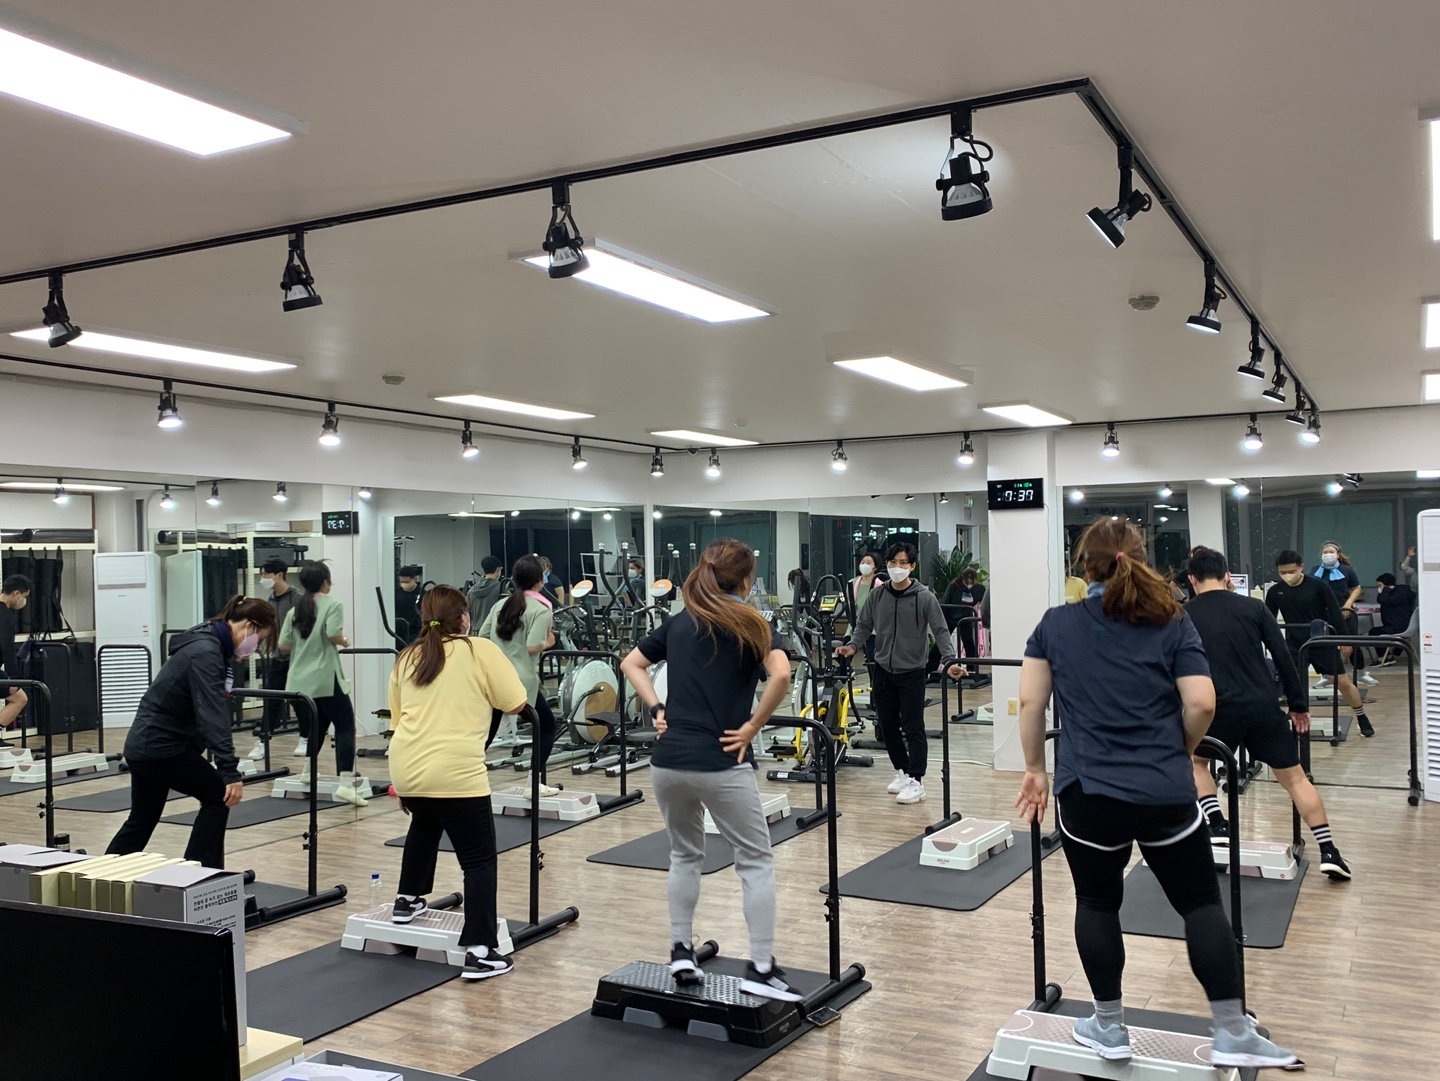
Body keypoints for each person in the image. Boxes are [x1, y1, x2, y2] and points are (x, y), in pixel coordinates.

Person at [1014, 519, 1298, 1069]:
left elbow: (1030, 705)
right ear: (1141, 560)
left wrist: (1034, 770)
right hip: (1164, 791)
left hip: (1089, 794)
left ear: (1085, 566)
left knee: (1097, 902)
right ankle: (1232, 1031)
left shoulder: (1055, 623)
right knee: (1200, 905)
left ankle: (1109, 1026)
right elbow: (1202, 703)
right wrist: (1177, 750)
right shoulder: (1173, 619)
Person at [619, 538, 801, 1002]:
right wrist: (753, 726)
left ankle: (681, 950)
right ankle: (760, 967)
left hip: (668, 762)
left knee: (685, 855)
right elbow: (782, 675)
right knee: (755, 861)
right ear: (746, 580)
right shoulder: (751, 621)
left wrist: (657, 707)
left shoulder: (681, 621)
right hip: (721, 761)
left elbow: (631, 664)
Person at [388, 585, 530, 980]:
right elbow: (515, 702)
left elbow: (397, 720)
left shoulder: (407, 656)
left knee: (426, 821)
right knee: (479, 860)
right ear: (464, 618)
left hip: (407, 767)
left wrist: (403, 784)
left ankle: (407, 899)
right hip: (456, 773)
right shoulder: (479, 649)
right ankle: (481, 951)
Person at [1183, 547, 1351, 879]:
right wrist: (1298, 705)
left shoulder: (1184, 615)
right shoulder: (1254, 607)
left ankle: (1217, 823)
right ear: (1227, 575)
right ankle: (1330, 850)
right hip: (1262, 705)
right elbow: (1283, 656)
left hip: (1216, 707)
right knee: (1296, 778)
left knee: (1196, 762)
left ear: (1191, 579)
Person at [108, 596, 277, 869]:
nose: (255, 647)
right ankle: (200, 875)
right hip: (161, 747)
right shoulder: (206, 652)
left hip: (146, 744)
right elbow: (212, 712)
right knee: (218, 795)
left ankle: (102, 877)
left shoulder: (207, 640)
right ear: (249, 626)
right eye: (259, 639)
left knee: (142, 819)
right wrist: (229, 770)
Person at [837, 541, 965, 805]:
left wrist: (949, 660)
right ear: (887, 564)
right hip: (883, 669)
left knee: (913, 726)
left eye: (903, 563)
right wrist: (852, 646)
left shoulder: (924, 597)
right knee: (887, 725)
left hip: (912, 672)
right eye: (893, 562)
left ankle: (916, 780)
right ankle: (903, 771)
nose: (897, 567)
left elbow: (940, 630)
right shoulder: (877, 595)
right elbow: (863, 625)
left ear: (912, 566)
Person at [279, 561, 367, 805]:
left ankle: (308, 770)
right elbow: (333, 634)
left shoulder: (295, 610)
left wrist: (305, 647)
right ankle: (346, 784)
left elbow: (283, 644)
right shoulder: (333, 604)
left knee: (318, 725)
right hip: (326, 677)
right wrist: (345, 641)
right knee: (345, 726)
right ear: (325, 582)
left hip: (299, 680)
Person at [477, 555, 561, 796]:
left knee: (485, 735)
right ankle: (533, 785)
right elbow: (534, 645)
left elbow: (482, 637)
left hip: (495, 679)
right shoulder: (541, 609)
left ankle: (463, 777)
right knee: (546, 728)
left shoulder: (499, 606)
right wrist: (550, 642)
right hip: (521, 683)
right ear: (539, 581)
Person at [1266, 550, 1374, 737]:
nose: (1287, 576)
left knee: (1341, 681)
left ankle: (1361, 716)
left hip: (1322, 642)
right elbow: (1268, 619)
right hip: (1294, 644)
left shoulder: (1318, 585)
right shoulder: (1276, 592)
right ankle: (1297, 721)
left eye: (1291, 571)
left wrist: (1343, 640)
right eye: (1282, 572)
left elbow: (1335, 613)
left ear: (1301, 567)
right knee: (1292, 684)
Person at [250, 559, 305, 758]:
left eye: (266, 574)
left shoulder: (298, 599)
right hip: (277, 658)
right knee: (271, 700)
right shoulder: (270, 601)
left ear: (279, 574)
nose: (263, 578)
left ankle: (305, 737)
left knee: (299, 700)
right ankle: (263, 740)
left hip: (297, 659)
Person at [1311, 541, 1372, 686]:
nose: (1328, 555)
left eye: (1331, 552)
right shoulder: (1315, 570)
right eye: (1325, 552)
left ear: (1337, 554)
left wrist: (1348, 605)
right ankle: (1326, 676)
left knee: (1352, 643)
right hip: (1323, 613)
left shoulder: (1347, 570)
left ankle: (1361, 673)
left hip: (1344, 611)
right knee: (1325, 645)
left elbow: (1356, 588)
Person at [0, 575, 31, 730]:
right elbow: (6, 646)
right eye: (24, 597)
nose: (23, 602)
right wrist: (14, 678)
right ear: (16, 593)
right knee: (20, 698)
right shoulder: (4, 615)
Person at [942, 567, 987, 658]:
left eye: (971, 582)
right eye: (967, 581)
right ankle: (931, 665)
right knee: (942, 642)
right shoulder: (953, 586)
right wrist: (943, 621)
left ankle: (972, 665)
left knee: (969, 643)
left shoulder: (979, 589)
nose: (969, 584)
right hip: (950, 618)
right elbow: (945, 602)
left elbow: (985, 601)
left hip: (965, 618)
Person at [466, 555, 504, 631]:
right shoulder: (501, 589)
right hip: (493, 632)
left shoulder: (471, 590)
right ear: (498, 569)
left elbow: (467, 614)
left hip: (475, 633)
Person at [395, 565, 424, 644]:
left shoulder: (423, 594)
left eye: (407, 582)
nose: (404, 584)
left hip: (416, 633)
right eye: (402, 582)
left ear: (414, 579)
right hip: (398, 633)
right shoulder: (395, 594)